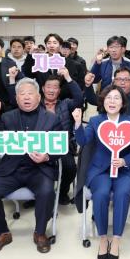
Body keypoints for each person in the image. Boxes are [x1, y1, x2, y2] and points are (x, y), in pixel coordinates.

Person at [0, 78, 62, 254]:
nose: (26, 97)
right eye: (22, 94)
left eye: (30, 93)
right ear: (16, 99)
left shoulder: (52, 119)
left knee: (47, 192)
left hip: (39, 169)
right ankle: (1, 232)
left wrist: (47, 156)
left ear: (38, 97)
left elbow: (64, 148)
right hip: (12, 168)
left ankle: (40, 232)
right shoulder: (7, 117)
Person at [72, 85, 130, 259]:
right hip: (100, 170)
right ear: (103, 101)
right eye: (109, 98)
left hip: (125, 170)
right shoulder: (96, 121)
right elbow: (83, 141)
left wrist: (125, 161)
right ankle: (103, 238)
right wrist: (78, 124)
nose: (112, 101)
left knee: (121, 194)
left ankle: (117, 239)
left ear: (123, 102)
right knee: (101, 193)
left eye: (116, 98)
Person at [40, 70, 83, 205]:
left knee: (70, 167)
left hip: (62, 144)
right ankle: (36, 194)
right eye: (48, 86)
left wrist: (68, 77)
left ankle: (62, 192)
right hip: (39, 144)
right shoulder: (36, 105)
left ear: (59, 91)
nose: (51, 90)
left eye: (55, 87)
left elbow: (79, 99)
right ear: (42, 88)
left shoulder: (65, 104)